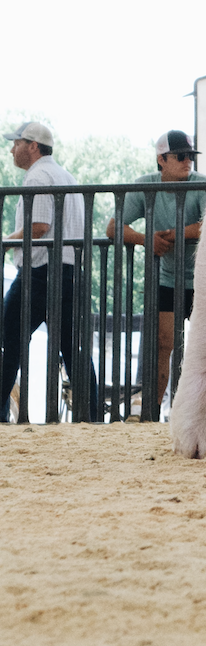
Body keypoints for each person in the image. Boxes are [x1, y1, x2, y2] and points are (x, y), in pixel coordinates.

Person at [106, 129, 206, 416]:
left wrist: (173, 234)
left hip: (205, 280)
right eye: (181, 156)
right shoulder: (146, 186)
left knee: (205, 350)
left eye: (190, 156)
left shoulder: (203, 184)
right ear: (161, 159)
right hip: (169, 279)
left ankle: (200, 412)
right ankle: (151, 412)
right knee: (165, 345)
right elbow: (113, 228)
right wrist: (146, 238)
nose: (188, 161)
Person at [1, 121, 96, 422]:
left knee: (9, 341)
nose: (12, 149)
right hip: (68, 271)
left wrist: (4, 242)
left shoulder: (38, 176)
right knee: (72, 347)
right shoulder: (65, 175)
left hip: (39, 272)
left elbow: (39, 228)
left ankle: (1, 412)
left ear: (32, 146)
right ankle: (91, 416)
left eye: (16, 143)